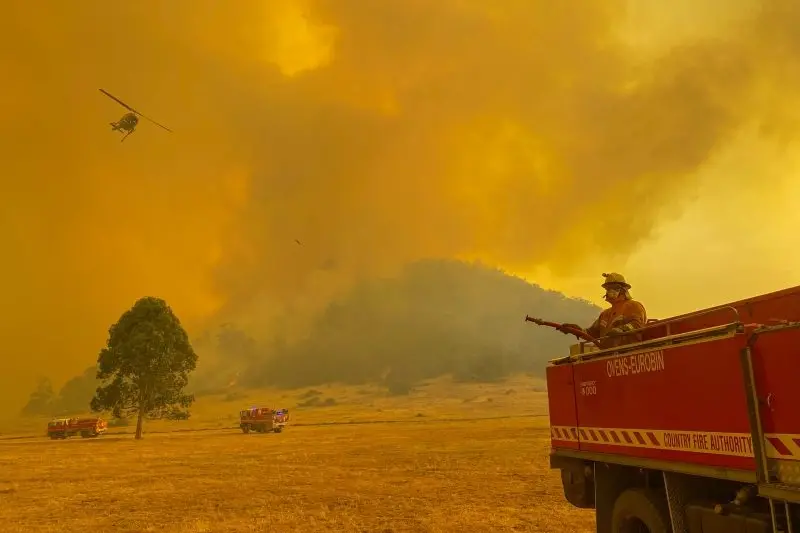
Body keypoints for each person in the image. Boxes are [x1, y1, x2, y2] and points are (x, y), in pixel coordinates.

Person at [561, 273, 647, 348]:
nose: (610, 291)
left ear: (623, 290)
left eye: (614, 288)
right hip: (608, 355)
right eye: (608, 289)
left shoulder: (633, 306)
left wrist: (621, 330)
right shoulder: (605, 314)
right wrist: (577, 330)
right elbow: (591, 334)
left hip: (628, 352)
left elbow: (638, 325)